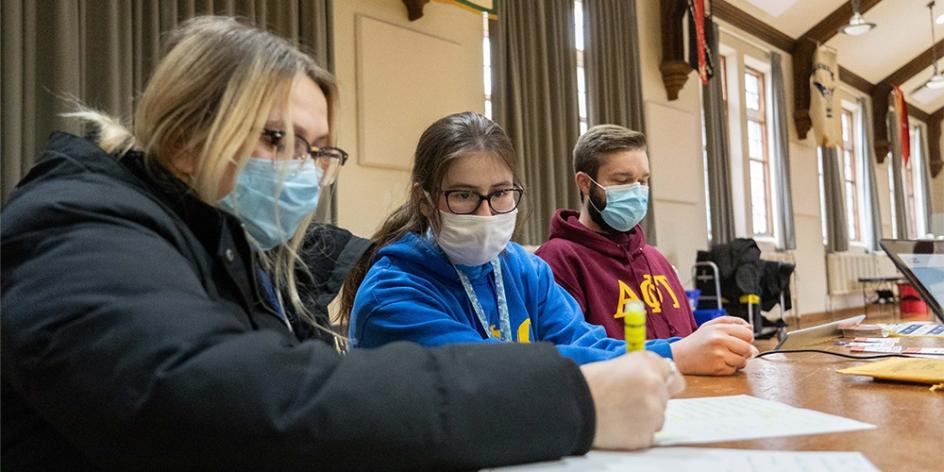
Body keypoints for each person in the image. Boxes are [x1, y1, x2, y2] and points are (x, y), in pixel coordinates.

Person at [1, 17, 683, 471]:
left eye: (316, 151)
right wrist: (564, 399)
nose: (299, 171)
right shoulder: (78, 220)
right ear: (184, 135)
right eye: (275, 139)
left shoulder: (232, 248)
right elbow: (214, 396)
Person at [342, 112, 690, 368]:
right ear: (425, 199)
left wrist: (684, 351)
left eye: (500, 193)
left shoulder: (526, 271)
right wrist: (673, 355)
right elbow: (486, 372)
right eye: (463, 195)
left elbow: (585, 344)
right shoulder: (392, 294)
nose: (486, 214)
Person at [535, 125, 758, 376]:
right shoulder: (557, 259)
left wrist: (725, 346)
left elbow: (690, 340)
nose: (637, 191)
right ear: (585, 183)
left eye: (643, 181)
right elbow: (572, 354)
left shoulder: (654, 257)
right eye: (623, 181)